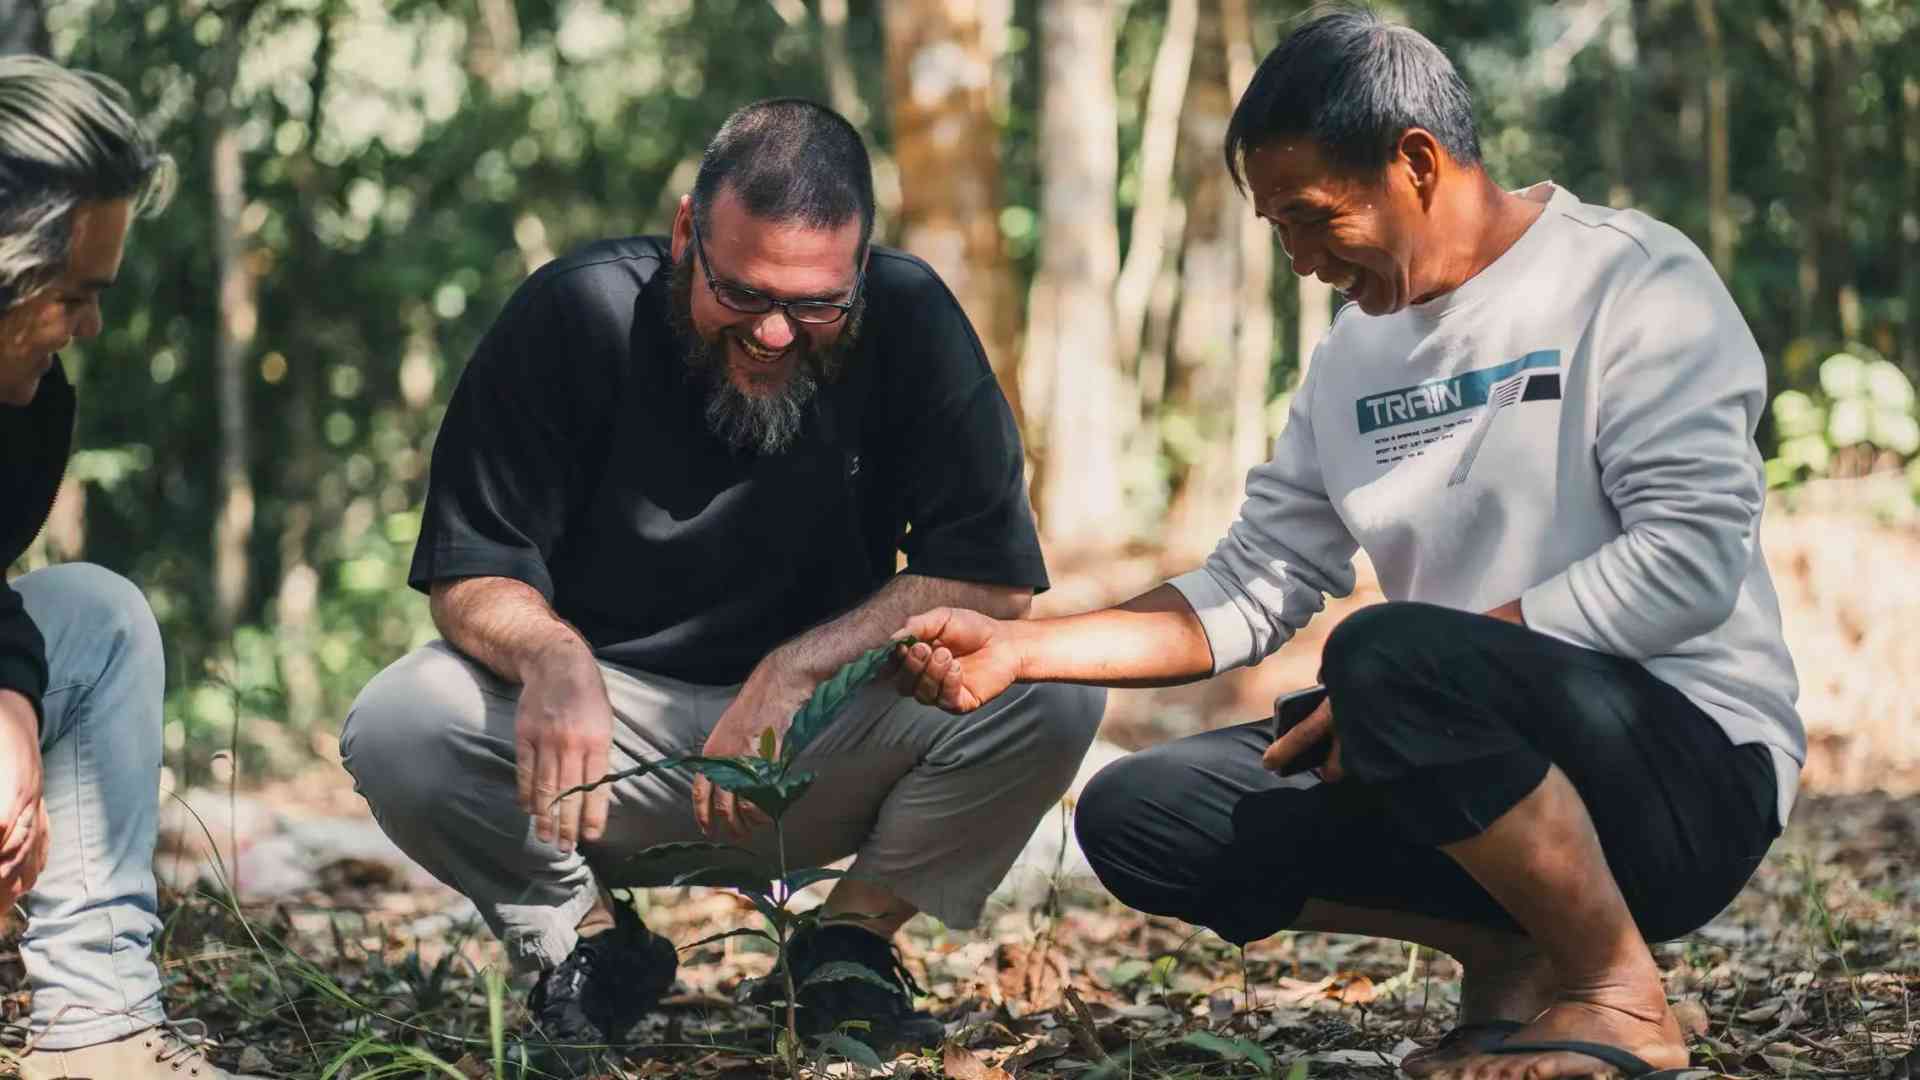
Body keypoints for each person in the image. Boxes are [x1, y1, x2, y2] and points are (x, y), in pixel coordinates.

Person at [897, 11, 1799, 1080]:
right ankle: (1518, 951)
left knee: (1385, 659)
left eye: (1313, 218)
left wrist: (1415, 685)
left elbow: (1688, 560)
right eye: (1278, 228)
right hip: (1457, 761)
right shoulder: (1352, 358)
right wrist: (1024, 649)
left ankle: (1618, 992)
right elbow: (1250, 583)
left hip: (1689, 778)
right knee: (1143, 813)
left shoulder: (1631, 282)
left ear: (1418, 161)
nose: (1300, 261)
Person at [340, 98, 1105, 1053]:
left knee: (1052, 692)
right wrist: (551, 660)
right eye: (743, 295)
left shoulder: (912, 319)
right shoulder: (573, 313)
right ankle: (586, 944)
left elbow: (993, 583)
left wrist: (798, 669)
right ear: (686, 234)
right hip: (605, 746)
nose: (776, 334)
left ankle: (847, 947)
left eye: (817, 304)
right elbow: (470, 570)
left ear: (861, 266)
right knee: (401, 720)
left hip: (819, 736)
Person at [0, 55, 268, 1080]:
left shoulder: (31, 409)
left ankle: (100, 1030)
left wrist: (13, 707)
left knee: (97, 619)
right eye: (70, 295)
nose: (91, 326)